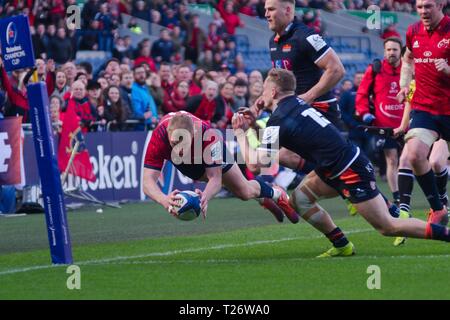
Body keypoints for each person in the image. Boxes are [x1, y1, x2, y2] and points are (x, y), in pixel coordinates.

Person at [233, 68, 450, 248]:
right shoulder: (296, 105)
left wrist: (241, 132)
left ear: (272, 91)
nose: (261, 95)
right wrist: (253, 125)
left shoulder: (278, 119)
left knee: (387, 227)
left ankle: (446, 234)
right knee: (299, 199)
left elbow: (256, 164)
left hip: (349, 170)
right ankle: (342, 245)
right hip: (334, 167)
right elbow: (283, 134)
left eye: (263, 89)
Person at [142, 111, 297, 223]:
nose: (179, 149)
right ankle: (262, 198)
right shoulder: (159, 136)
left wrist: (204, 198)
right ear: (168, 134)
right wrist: (164, 200)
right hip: (190, 163)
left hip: (205, 152)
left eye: (184, 143)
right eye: (175, 143)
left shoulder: (208, 135)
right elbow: (147, 182)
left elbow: (215, 178)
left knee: (244, 191)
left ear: (193, 133)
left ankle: (276, 193)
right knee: (241, 190)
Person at [396, 0, 450, 226]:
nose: (423, 11)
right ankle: (438, 209)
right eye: (419, 7)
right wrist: (404, 83)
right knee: (415, 154)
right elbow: (408, 59)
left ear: (441, 5)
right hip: (424, 107)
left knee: (438, 162)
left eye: (428, 6)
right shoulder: (413, 31)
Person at [265, 0, 345, 130]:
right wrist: (260, 103)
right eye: (266, 9)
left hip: (318, 111)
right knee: (268, 146)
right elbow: (277, 79)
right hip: (293, 112)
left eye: (271, 9)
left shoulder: (306, 36)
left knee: (280, 149)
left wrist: (308, 96)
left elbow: (337, 70)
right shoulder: (273, 41)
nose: (266, 14)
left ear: (288, 10)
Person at [356, 37, 405, 205]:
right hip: (384, 125)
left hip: (407, 123)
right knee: (392, 160)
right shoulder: (375, 69)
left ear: (401, 51)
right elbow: (362, 92)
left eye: (395, 50)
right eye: (389, 50)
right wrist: (364, 113)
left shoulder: (408, 68)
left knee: (409, 159)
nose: (391, 53)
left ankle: (407, 192)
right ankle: (398, 196)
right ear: (384, 51)